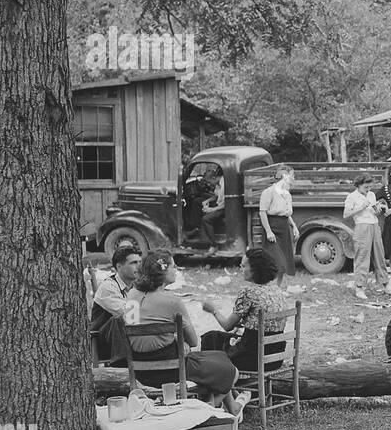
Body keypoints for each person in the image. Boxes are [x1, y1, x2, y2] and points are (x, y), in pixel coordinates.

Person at [128, 251, 249, 415]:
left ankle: (230, 406)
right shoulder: (172, 302)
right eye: (173, 266)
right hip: (171, 371)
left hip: (140, 370)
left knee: (218, 357)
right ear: (162, 271)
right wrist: (178, 339)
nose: (176, 269)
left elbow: (132, 330)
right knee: (231, 370)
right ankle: (208, 409)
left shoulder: (132, 295)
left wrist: (171, 338)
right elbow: (193, 341)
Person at [200, 246, 290, 378]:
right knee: (217, 337)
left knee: (210, 338)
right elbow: (263, 323)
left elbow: (227, 326)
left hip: (253, 358)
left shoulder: (248, 292)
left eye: (243, 266)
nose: (240, 269)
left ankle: (212, 383)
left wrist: (213, 310)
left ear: (255, 269)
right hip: (275, 357)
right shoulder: (277, 290)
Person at [344, 175, 391, 300]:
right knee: (362, 256)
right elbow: (346, 214)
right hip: (361, 226)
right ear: (359, 185)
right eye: (366, 187)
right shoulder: (352, 197)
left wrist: (377, 210)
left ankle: (385, 283)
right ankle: (359, 287)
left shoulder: (371, 195)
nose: (368, 189)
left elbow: (373, 210)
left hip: (374, 225)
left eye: (370, 186)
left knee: (379, 255)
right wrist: (361, 207)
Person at [90, 244, 142, 362]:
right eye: (134, 263)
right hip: (104, 342)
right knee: (118, 319)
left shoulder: (137, 286)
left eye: (140, 262)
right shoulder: (108, 287)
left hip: (130, 337)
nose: (139, 267)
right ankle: (123, 362)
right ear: (119, 266)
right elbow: (130, 315)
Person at [258, 163, 299, 288]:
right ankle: (267, 286)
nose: (293, 179)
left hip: (284, 227)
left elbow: (286, 213)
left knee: (285, 260)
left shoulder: (286, 194)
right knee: (275, 260)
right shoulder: (269, 192)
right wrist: (268, 231)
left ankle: (277, 287)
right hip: (272, 226)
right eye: (291, 176)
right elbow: (262, 212)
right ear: (284, 176)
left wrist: (294, 226)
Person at [200, 168, 227, 252]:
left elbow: (225, 204)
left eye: (209, 182)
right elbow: (216, 195)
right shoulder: (218, 184)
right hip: (220, 205)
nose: (210, 184)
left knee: (206, 219)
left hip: (225, 208)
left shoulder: (224, 184)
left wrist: (211, 210)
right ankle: (203, 237)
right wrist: (207, 201)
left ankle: (214, 245)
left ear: (213, 178)